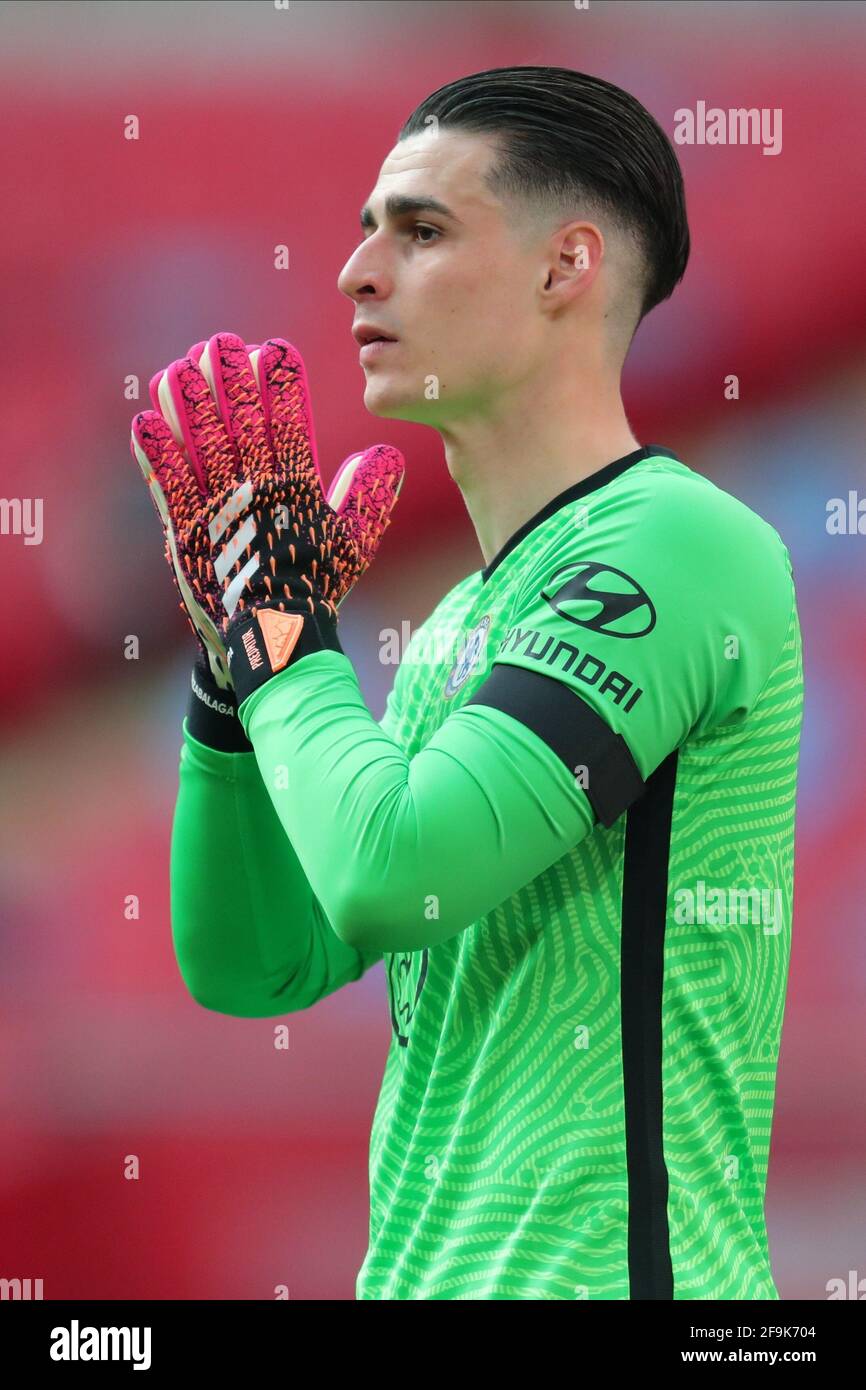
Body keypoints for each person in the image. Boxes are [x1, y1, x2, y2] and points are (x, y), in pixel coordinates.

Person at [137, 66, 803, 1300]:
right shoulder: (463, 620)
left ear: (566, 268)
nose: (357, 274)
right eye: (363, 232)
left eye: (422, 230)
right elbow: (256, 965)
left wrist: (284, 632)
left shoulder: (675, 542)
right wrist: (238, 677)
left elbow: (396, 871)